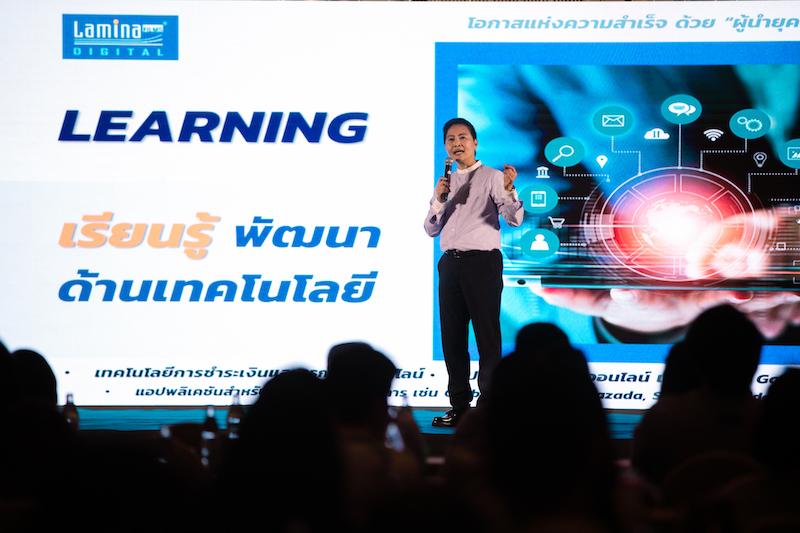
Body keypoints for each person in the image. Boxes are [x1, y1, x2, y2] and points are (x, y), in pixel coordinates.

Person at [424, 117, 523, 427]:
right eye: (451, 139)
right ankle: (459, 405)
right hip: (450, 264)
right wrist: (439, 200)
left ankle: (489, 407)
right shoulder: (445, 183)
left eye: (463, 137)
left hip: (482, 263)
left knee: (486, 337)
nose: (457, 143)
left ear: (475, 142)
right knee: (452, 337)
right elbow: (430, 229)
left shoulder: (493, 177)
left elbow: (514, 219)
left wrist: (510, 190)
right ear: (445, 146)